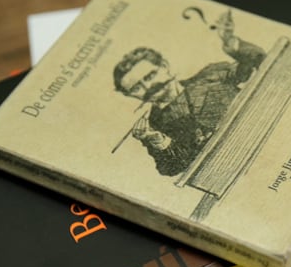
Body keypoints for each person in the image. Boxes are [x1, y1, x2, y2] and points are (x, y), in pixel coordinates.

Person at [112, 10, 265, 176]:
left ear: (164, 66)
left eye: (150, 75)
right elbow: (172, 168)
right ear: (130, 95)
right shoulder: (154, 127)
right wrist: (157, 139)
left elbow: (259, 62)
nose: (149, 86)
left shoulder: (211, 75)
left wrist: (230, 41)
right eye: (136, 88)